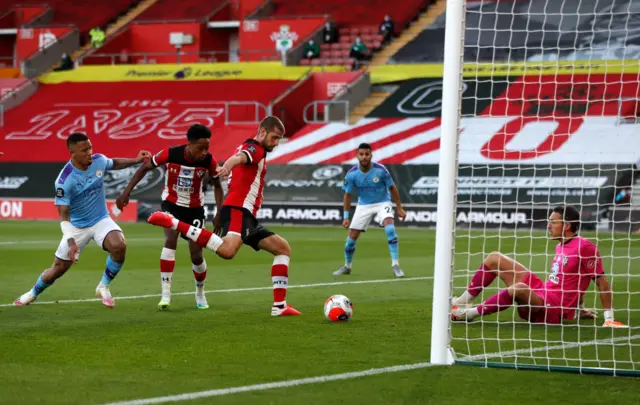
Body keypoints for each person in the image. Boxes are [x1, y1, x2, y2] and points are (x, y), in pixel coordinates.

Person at [146, 116, 301, 317]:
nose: (276, 143)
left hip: (245, 214)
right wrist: (227, 167)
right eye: (274, 137)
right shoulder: (255, 148)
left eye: (279, 139)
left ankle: (279, 306)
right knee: (227, 251)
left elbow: (240, 158)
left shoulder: (251, 147)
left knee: (283, 249)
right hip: (239, 209)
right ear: (262, 132)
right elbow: (239, 158)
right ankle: (172, 222)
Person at [14, 133, 151, 307]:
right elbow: (63, 215)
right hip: (77, 227)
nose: (89, 153)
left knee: (119, 246)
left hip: (101, 219)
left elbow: (114, 163)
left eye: (90, 148)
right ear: (72, 153)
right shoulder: (65, 180)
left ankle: (103, 286)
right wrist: (71, 241)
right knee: (58, 269)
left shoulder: (98, 160)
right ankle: (33, 293)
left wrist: (137, 160)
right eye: (84, 150)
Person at [451, 205, 627, 327]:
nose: (548, 225)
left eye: (553, 222)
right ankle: (462, 302)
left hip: (553, 308)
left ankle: (469, 314)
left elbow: (601, 281)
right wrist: (580, 309)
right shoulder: (561, 245)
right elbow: (575, 280)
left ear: (566, 225)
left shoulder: (585, 247)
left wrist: (608, 318)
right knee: (494, 258)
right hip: (544, 292)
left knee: (518, 288)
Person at [116, 124, 224, 310]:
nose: (204, 152)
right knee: (170, 239)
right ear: (189, 143)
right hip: (171, 204)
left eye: (207, 148)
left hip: (194, 209)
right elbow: (144, 168)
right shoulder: (170, 153)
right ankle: (165, 294)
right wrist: (126, 192)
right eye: (200, 148)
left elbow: (217, 187)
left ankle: (200, 293)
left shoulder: (208, 161)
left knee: (196, 254)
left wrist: (220, 213)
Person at [333, 143, 407, 278]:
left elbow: (392, 188)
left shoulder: (381, 170)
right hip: (363, 205)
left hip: (383, 201)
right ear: (357, 156)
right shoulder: (352, 174)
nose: (364, 157)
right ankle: (347, 266)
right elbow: (347, 195)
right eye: (361, 154)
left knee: (390, 229)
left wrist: (399, 208)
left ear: (371, 155)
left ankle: (395, 265)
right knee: (351, 239)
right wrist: (345, 217)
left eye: (367, 154)